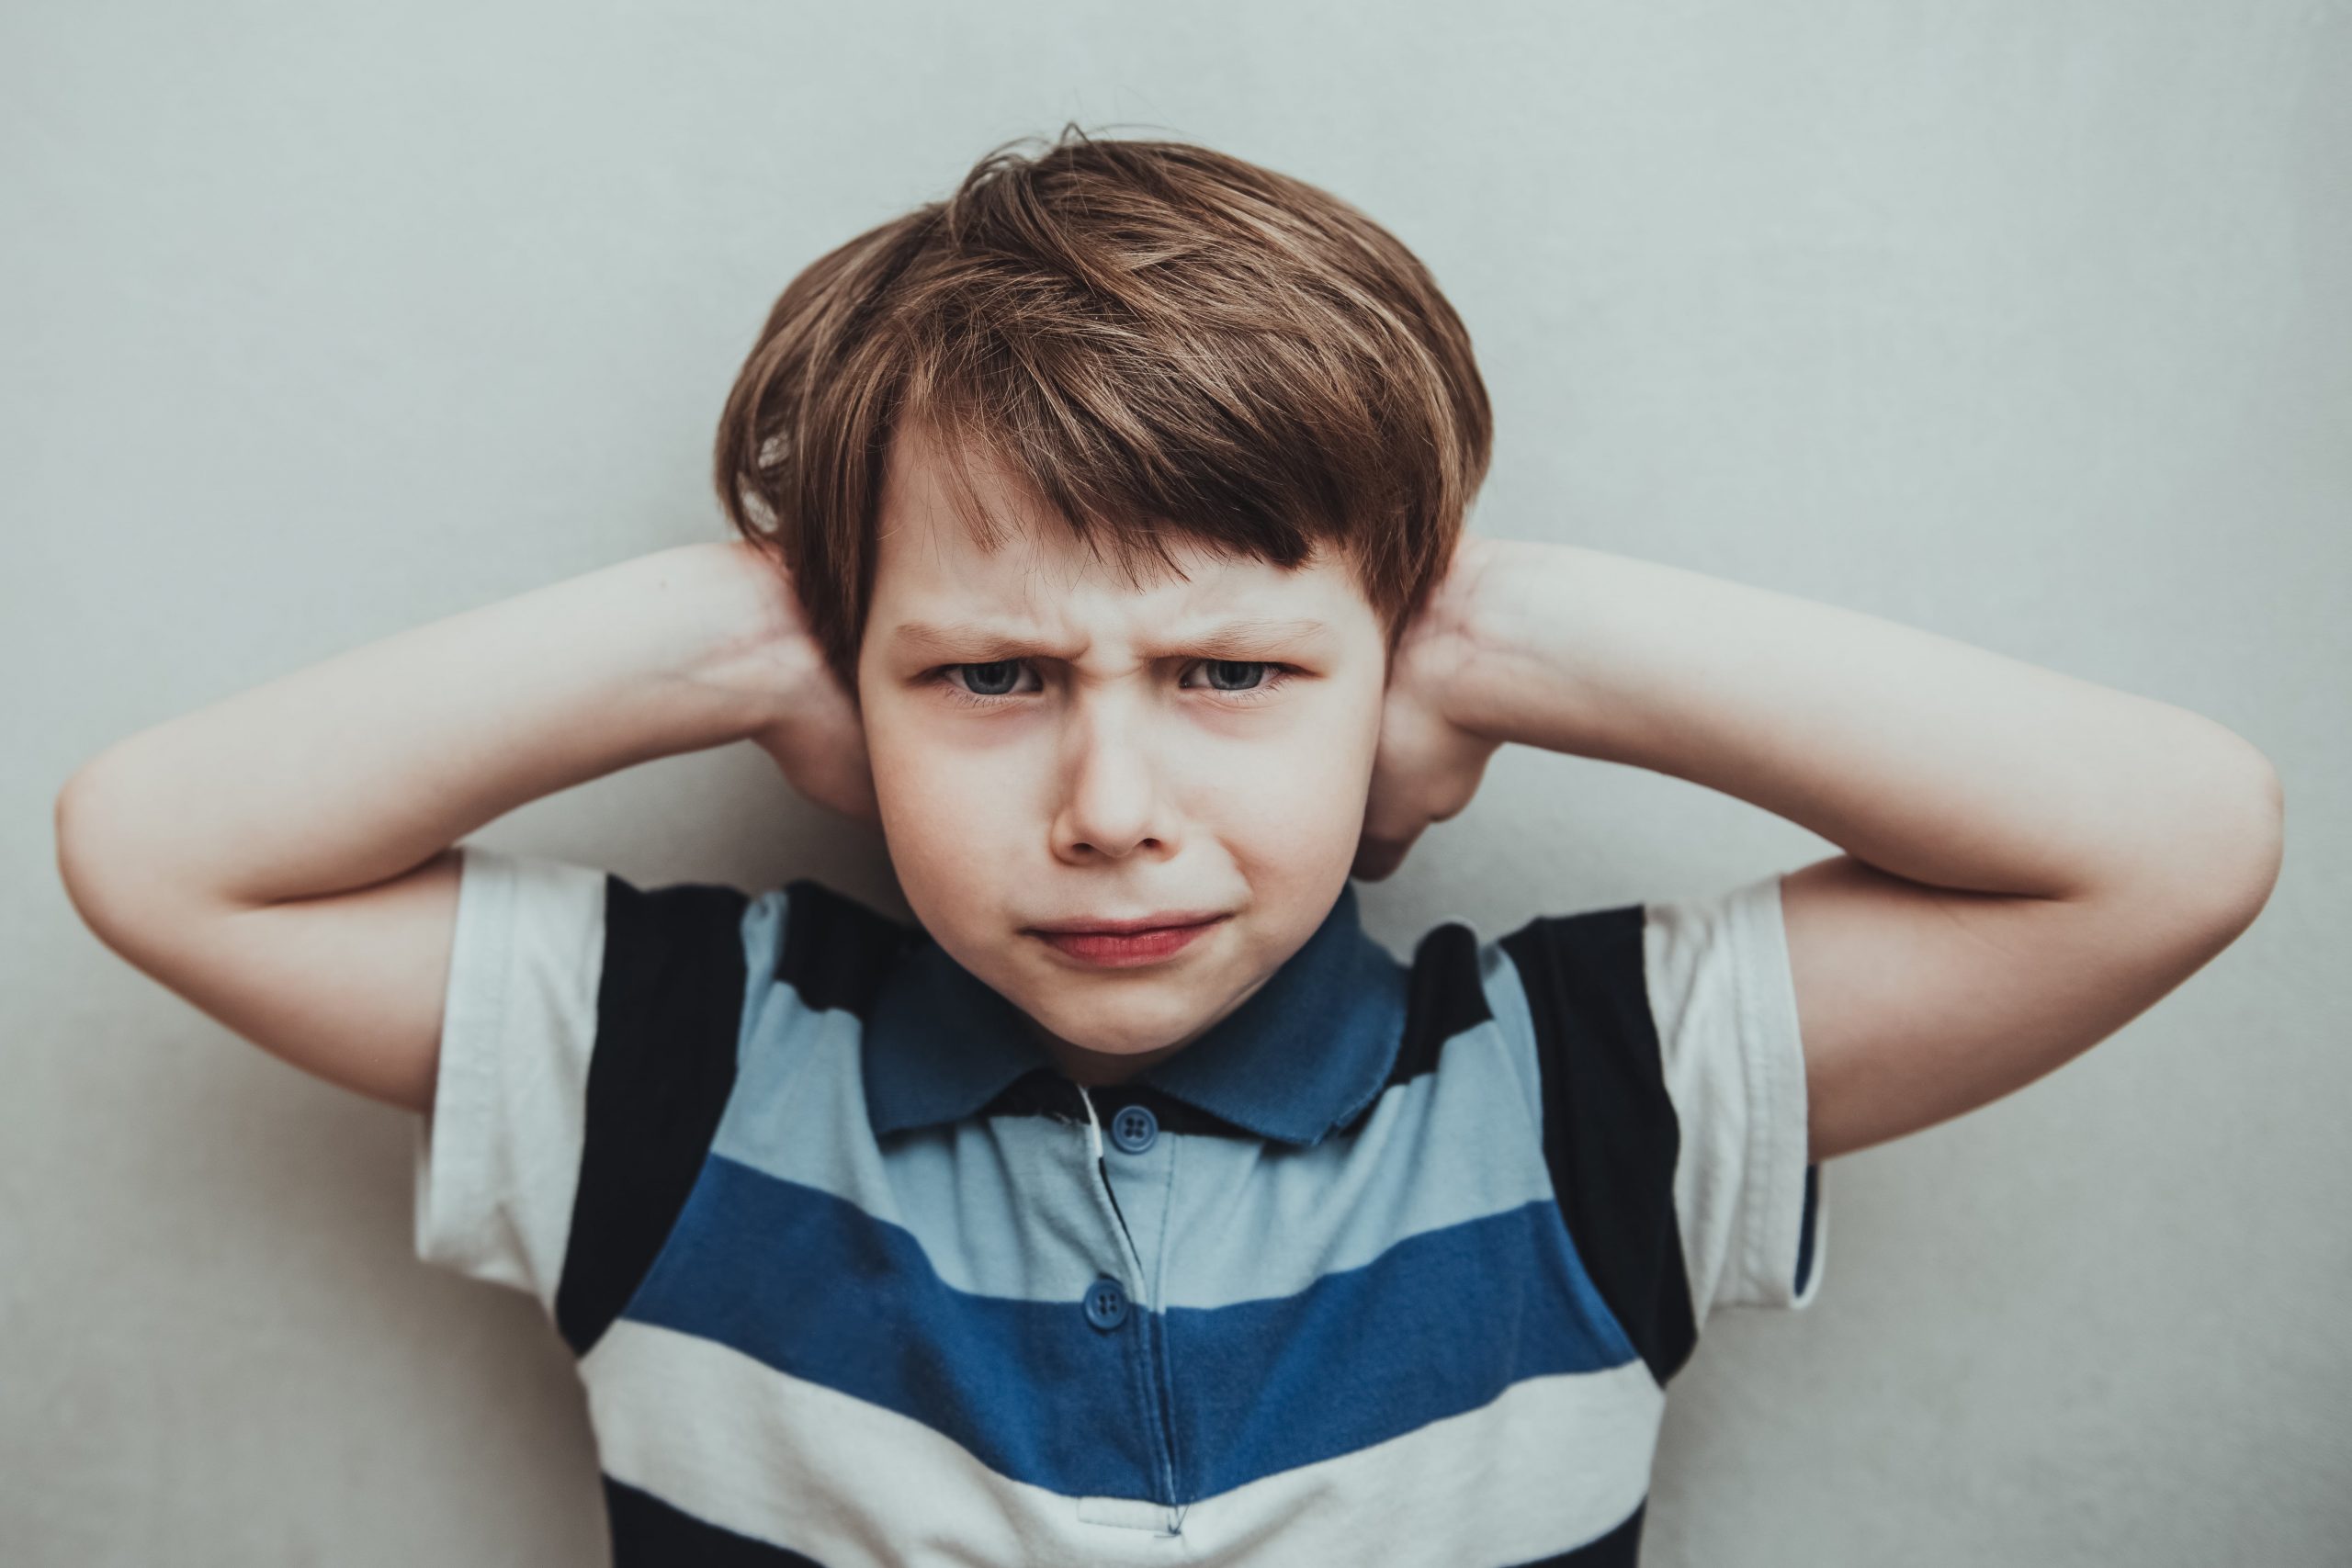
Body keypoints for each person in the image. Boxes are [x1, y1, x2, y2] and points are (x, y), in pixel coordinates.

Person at [52, 127, 2283, 1567]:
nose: (1111, 806)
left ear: (1393, 674)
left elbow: (2176, 841)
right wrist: (751, 617)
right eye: (985, 680)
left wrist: (1494, 626)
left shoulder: (1589, 1087)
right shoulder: (674, 1066)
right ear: (845, 695)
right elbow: (158, 848)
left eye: (1232, 677)